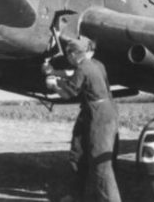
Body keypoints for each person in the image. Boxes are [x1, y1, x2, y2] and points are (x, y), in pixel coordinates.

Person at [44, 36, 121, 202]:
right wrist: (53, 72)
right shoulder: (96, 64)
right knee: (78, 152)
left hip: (99, 114)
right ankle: (78, 195)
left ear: (73, 54)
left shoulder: (83, 69)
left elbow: (67, 94)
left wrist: (54, 85)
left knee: (100, 161)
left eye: (68, 55)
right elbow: (73, 74)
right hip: (99, 110)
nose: (68, 59)